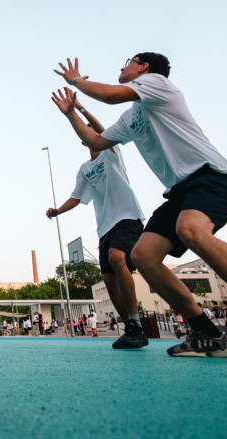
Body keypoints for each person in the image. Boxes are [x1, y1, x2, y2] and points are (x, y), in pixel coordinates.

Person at [54, 54, 227, 367]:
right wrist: (71, 114)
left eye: (128, 61)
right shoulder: (131, 117)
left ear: (144, 67)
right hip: (179, 192)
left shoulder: (158, 84)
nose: (122, 66)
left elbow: (108, 95)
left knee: (191, 229)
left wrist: (75, 81)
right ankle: (208, 333)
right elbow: (95, 140)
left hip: (212, 176)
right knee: (143, 255)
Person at [47, 93, 148, 349]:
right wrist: (57, 211)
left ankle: (136, 320)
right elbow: (76, 197)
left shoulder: (111, 152)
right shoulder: (85, 169)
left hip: (127, 216)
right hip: (105, 227)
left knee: (117, 257)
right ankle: (131, 327)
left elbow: (102, 131)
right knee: (108, 277)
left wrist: (80, 108)